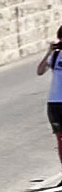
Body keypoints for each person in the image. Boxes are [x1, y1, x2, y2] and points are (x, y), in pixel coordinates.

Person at [38, 25, 62, 165]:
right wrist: (49, 52)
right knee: (60, 139)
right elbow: (40, 71)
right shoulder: (55, 56)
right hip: (55, 102)